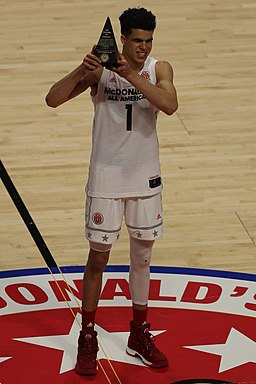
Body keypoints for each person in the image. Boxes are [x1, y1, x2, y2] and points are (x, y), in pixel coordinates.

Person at [46, 6, 178, 376]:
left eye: (149, 40)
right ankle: (87, 335)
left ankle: (139, 333)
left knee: (142, 258)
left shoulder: (159, 68)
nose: (144, 47)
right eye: (137, 40)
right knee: (98, 258)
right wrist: (83, 68)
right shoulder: (101, 72)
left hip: (145, 178)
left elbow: (169, 105)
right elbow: (52, 99)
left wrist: (131, 74)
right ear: (122, 38)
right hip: (106, 177)